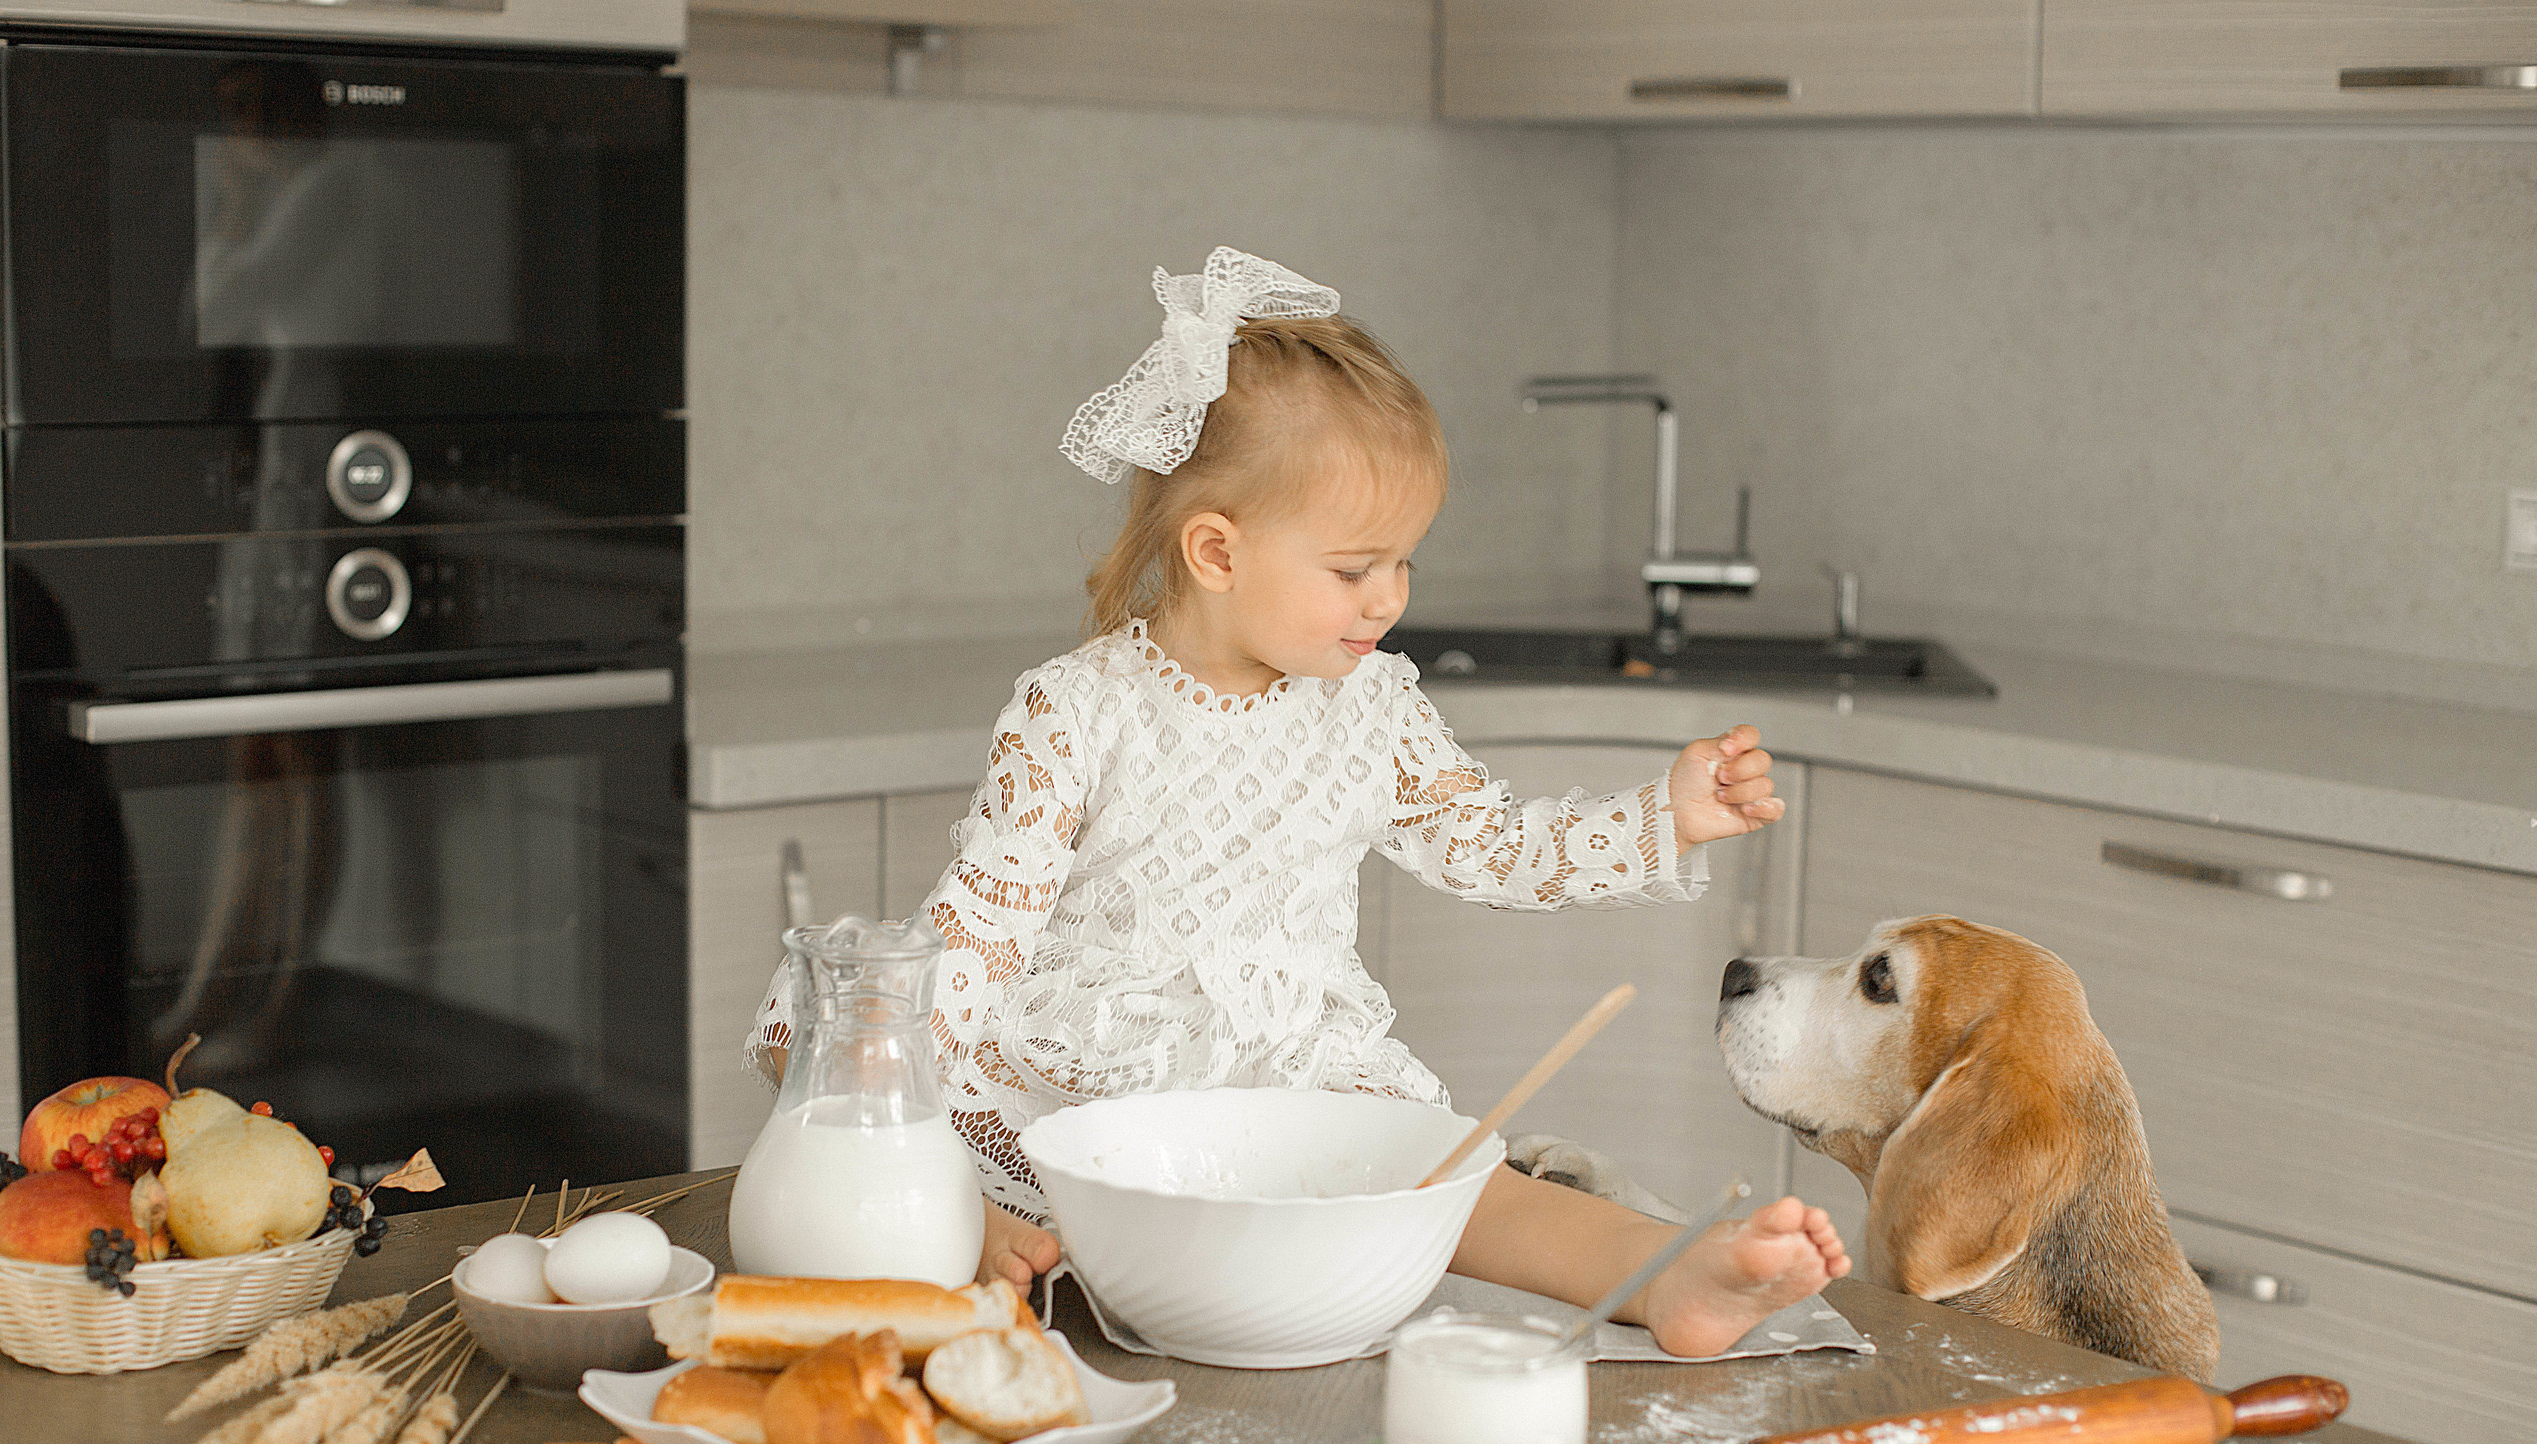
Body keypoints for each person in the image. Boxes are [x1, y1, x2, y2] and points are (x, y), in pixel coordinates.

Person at [748, 247, 1848, 1355]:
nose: (1390, 599)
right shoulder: (1079, 711)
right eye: (1355, 568)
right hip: (1104, 1094)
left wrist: (1664, 816)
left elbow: (1496, 847)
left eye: (1406, 564)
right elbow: (970, 949)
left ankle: (1664, 1280)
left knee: (1460, 1181)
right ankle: (990, 1222)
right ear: (1217, 552)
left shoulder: (1370, 705)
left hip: (1295, 1068)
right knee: (1039, 1197)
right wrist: (947, 1181)